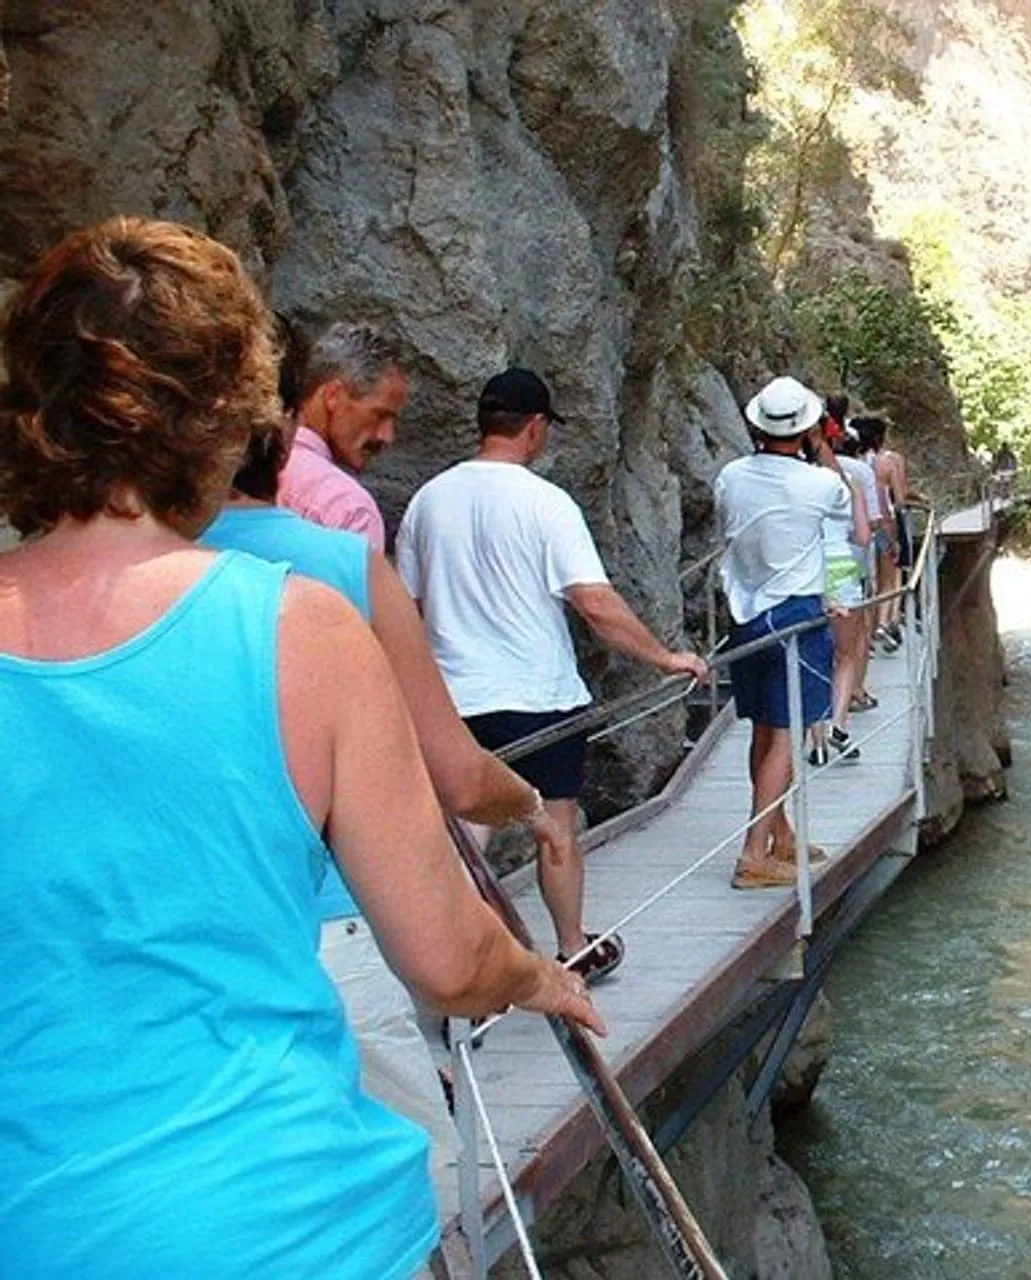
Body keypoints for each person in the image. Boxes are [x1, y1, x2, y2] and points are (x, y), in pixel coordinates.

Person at [0, 216, 601, 1278]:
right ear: (225, 414)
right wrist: (537, 976)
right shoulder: (297, 626)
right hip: (294, 1220)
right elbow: (447, 955)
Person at [202, 322, 568, 1153]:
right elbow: (458, 777)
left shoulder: (133, 574)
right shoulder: (340, 540)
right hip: (330, 915)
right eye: (382, 414)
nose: (391, 435)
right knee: (415, 1170)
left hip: (202, 938)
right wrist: (531, 817)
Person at [397, 369, 708, 983]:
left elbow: (406, 605)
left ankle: (453, 960)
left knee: (468, 831)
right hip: (538, 696)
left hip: (454, 697)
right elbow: (594, 602)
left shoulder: (428, 501)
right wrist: (665, 657)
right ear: (535, 428)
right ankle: (572, 949)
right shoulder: (546, 502)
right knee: (555, 828)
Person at [713, 376, 855, 888]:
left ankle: (781, 833)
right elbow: (845, 512)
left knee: (763, 729)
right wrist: (821, 446)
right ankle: (754, 854)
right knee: (786, 735)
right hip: (795, 615)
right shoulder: (819, 484)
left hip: (745, 615)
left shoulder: (730, 476)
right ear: (808, 428)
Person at [279, 320, 407, 553]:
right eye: (380, 415)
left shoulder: (236, 474)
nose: (387, 436)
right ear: (333, 395)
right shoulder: (348, 509)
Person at [807, 426, 873, 767]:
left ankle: (817, 742)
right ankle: (839, 725)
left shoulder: (794, 484)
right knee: (845, 655)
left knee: (813, 655)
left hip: (807, 573)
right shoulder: (849, 486)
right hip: (842, 569)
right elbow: (862, 537)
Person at [865, 415, 913, 646]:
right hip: (885, 523)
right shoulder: (889, 461)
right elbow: (900, 498)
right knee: (890, 576)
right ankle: (885, 622)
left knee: (868, 579)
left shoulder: (853, 462)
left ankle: (873, 626)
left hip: (858, 525)